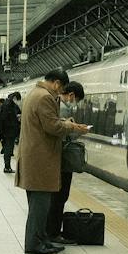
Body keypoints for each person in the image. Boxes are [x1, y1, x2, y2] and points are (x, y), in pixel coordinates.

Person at [16, 71, 87, 254]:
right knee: (39, 208)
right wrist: (72, 126)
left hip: (36, 158)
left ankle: (41, 240)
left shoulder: (35, 94)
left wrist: (63, 122)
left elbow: (47, 122)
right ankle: (34, 244)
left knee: (39, 207)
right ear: (56, 83)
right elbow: (52, 126)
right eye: (62, 88)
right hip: (40, 160)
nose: (61, 93)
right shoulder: (45, 97)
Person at [48, 81, 88, 244]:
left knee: (57, 198)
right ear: (71, 95)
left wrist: (72, 126)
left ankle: (52, 231)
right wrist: (78, 130)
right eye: (76, 100)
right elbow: (62, 134)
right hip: (62, 160)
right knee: (60, 197)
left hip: (57, 158)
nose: (75, 104)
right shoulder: (62, 107)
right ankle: (53, 233)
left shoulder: (57, 105)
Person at [0, 93, 22, 172]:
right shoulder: (9, 105)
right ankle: (7, 167)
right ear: (14, 98)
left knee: (8, 148)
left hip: (7, 130)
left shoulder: (8, 104)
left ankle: (7, 166)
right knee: (9, 148)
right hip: (9, 130)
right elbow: (6, 118)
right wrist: (16, 118)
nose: (18, 102)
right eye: (17, 99)